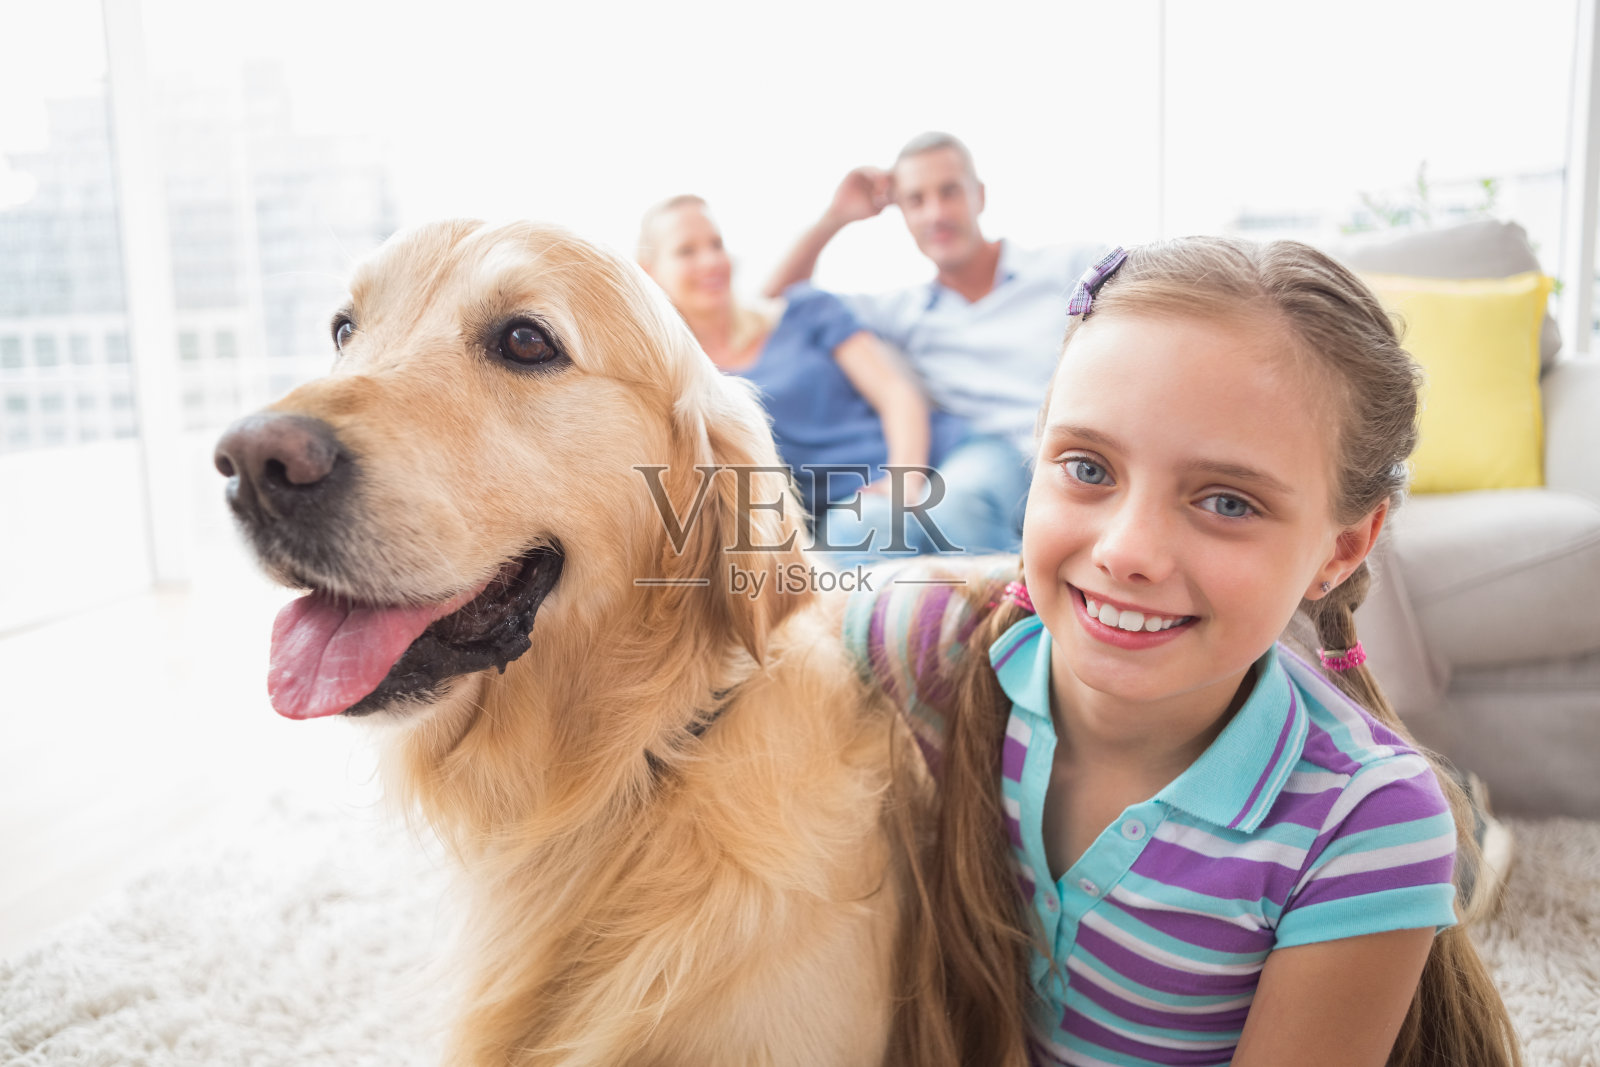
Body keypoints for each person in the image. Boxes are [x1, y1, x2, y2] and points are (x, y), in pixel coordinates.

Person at [844, 238, 1522, 1065]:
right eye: (1087, 465)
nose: (1129, 551)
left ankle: (1473, 835)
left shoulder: (1366, 819)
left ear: (1342, 548)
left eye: (1228, 500)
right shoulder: (929, 640)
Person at [765, 131, 1103, 555]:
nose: (936, 213)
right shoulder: (905, 312)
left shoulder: (1069, 268)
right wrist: (835, 218)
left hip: (1076, 459)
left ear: (979, 196)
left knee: (958, 503)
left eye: (949, 192)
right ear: (902, 215)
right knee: (874, 524)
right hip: (987, 466)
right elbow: (780, 305)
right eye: (916, 201)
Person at [637, 194, 966, 534]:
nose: (710, 261)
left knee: (960, 513)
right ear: (649, 271)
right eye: (686, 251)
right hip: (853, 510)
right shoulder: (678, 386)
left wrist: (905, 483)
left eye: (716, 244)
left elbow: (895, 391)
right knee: (864, 531)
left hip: (944, 457)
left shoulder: (802, 311)